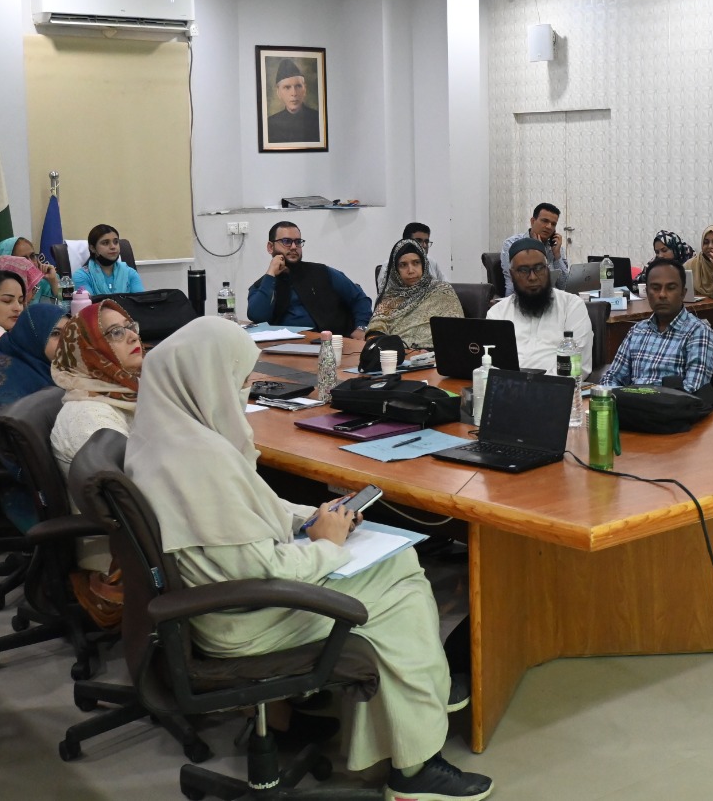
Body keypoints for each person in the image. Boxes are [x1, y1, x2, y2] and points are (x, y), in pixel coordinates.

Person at [124, 318, 492, 801]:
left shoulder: (162, 433)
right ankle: (414, 766)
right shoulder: (198, 459)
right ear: (207, 379)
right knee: (402, 580)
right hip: (242, 618)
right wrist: (327, 546)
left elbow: (249, 510)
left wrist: (312, 518)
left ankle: (402, 712)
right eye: (239, 379)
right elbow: (262, 570)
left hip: (219, 601)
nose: (244, 390)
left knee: (391, 567)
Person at [51, 300, 142, 606]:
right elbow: (132, 499)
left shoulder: (120, 393)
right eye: (116, 333)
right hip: (118, 557)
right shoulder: (90, 420)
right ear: (90, 349)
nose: (132, 336)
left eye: (130, 327)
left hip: (141, 534)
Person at [0, 304, 67, 533]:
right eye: (56, 334)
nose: (67, 342)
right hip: (33, 494)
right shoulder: (6, 381)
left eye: (70, 333)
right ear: (33, 336)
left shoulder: (40, 365)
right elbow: (14, 449)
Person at [599, 259, 713, 395]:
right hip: (629, 404)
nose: (662, 294)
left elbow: (693, 390)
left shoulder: (698, 333)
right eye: (655, 288)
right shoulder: (637, 331)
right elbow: (612, 377)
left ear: (683, 293)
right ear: (647, 292)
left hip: (670, 406)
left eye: (671, 288)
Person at [245, 221, 371, 338]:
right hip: (285, 345)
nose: (293, 247)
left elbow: (359, 298)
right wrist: (270, 274)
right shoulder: (263, 285)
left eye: (298, 242)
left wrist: (361, 328)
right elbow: (257, 316)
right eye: (286, 241)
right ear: (270, 247)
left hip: (329, 341)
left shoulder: (322, 272)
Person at [486, 239, 594, 373]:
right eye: (523, 270)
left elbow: (578, 366)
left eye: (538, 268)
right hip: (510, 384)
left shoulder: (571, 306)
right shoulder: (497, 313)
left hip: (557, 384)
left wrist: (541, 383)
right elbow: (491, 364)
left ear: (547, 269)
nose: (532, 277)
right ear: (512, 275)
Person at [365, 239, 462, 349]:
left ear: (424, 264)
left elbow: (457, 331)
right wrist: (383, 347)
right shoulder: (390, 297)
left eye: (416, 263)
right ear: (395, 270)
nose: (411, 270)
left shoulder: (442, 291)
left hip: (436, 354)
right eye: (403, 265)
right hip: (396, 354)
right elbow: (375, 329)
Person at [499, 203, 568, 288]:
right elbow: (518, 282)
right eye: (545, 221)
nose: (549, 227)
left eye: (553, 224)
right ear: (532, 221)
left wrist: (557, 255)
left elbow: (564, 285)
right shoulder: (512, 244)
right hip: (521, 294)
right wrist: (539, 251)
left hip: (552, 295)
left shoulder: (555, 247)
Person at [71, 224, 145, 297]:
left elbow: (140, 301)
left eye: (116, 242)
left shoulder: (130, 273)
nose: (113, 247)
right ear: (92, 248)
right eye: (105, 243)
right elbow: (87, 303)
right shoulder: (82, 276)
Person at [0, 236, 62, 305]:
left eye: (32, 256)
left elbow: (66, 306)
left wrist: (54, 281)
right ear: (8, 263)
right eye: (24, 259)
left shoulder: (44, 280)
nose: (31, 263)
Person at [265, 58, 322, 144]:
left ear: (305, 89)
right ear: (278, 93)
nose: (294, 93)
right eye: (287, 87)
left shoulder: (318, 119)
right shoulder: (270, 123)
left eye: (298, 86)